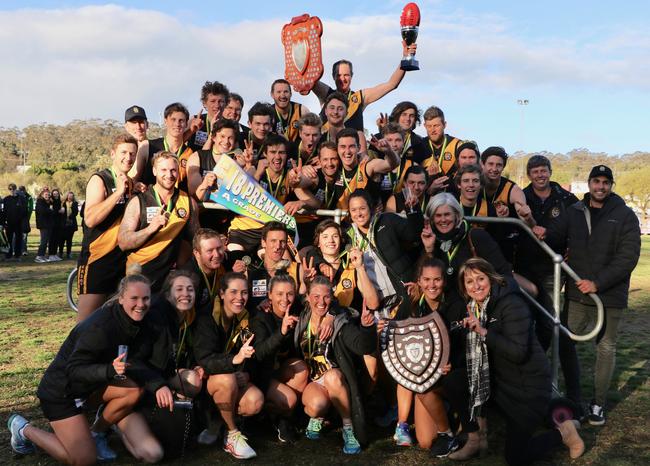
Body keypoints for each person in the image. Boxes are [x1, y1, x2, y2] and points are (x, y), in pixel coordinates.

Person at [7, 273, 166, 464]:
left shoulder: (139, 321)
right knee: (84, 460)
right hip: (61, 392)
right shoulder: (100, 326)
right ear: (121, 297)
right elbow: (73, 370)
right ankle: (23, 429)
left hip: (91, 385)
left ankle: (96, 433)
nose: (141, 304)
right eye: (134, 298)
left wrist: (158, 384)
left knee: (133, 391)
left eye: (145, 298)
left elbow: (137, 360)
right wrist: (109, 370)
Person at [457, 257, 584, 465]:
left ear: (491, 278)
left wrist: (483, 332)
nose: (476, 285)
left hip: (528, 389)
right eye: (469, 282)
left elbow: (518, 353)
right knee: (455, 380)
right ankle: (476, 438)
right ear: (464, 287)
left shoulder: (512, 303)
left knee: (515, 458)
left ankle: (564, 433)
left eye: (480, 278)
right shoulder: (475, 308)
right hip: (502, 384)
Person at [544, 165, 641, 426]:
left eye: (605, 182)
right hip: (577, 294)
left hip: (609, 296)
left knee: (605, 347)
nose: (600, 186)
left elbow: (628, 257)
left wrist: (598, 283)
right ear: (589, 183)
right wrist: (535, 227)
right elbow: (553, 236)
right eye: (596, 181)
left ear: (611, 185)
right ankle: (573, 397)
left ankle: (598, 403)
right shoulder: (574, 211)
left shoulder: (625, 215)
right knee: (565, 341)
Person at [389, 255, 465, 457]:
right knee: (426, 441)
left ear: (444, 281)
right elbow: (397, 337)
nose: (432, 285)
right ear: (420, 281)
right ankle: (444, 424)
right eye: (427, 280)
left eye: (437, 280)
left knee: (442, 385)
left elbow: (465, 345)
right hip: (426, 378)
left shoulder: (456, 305)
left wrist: (453, 364)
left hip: (451, 376)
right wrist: (385, 328)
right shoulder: (411, 303)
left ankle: (453, 425)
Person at [295, 276, 377, 454]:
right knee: (316, 405)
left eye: (326, 297)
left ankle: (348, 428)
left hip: (337, 380)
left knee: (332, 376)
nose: (321, 302)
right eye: (315, 296)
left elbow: (363, 346)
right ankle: (321, 416)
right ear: (307, 297)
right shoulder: (302, 317)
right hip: (314, 381)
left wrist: (367, 327)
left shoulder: (340, 321)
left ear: (331, 298)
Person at [192, 272, 264, 460]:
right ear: (221, 293)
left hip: (237, 379)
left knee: (255, 401)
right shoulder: (206, 317)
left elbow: (258, 354)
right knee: (226, 379)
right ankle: (232, 434)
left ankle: (219, 425)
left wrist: (247, 374)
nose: (239, 298)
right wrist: (233, 362)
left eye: (244, 292)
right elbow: (204, 360)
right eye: (233, 292)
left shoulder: (251, 315)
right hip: (209, 382)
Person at [77, 134, 138, 321]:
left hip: (122, 261)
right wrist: (118, 192)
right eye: (124, 152)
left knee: (114, 323)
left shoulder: (132, 183)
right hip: (98, 260)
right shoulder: (100, 179)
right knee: (86, 325)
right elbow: (90, 219)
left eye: (132, 154)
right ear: (113, 153)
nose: (128, 158)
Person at [119, 151, 198, 292]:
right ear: (154, 171)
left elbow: (195, 240)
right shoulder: (138, 200)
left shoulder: (188, 201)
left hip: (172, 281)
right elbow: (124, 242)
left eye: (173, 170)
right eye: (164, 170)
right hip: (140, 276)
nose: (169, 175)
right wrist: (151, 228)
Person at [346, 189, 423, 319]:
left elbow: (414, 235)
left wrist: (413, 210)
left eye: (362, 208)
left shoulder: (387, 220)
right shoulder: (349, 236)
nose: (358, 214)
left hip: (405, 295)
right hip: (380, 306)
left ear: (370, 208)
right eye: (353, 210)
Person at [249, 274, 309, 442]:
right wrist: (281, 332)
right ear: (269, 295)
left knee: (301, 368)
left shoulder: (297, 309)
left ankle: (285, 420)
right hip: (260, 375)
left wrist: (330, 317)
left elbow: (323, 302)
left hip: (279, 370)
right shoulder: (260, 316)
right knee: (289, 399)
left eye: (289, 293)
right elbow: (259, 353)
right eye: (279, 294)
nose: (285, 299)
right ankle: (262, 417)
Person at [421, 193, 512, 297]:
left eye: (447, 214)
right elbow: (425, 279)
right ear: (432, 219)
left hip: (479, 303)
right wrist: (429, 250)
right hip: (450, 307)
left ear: (456, 215)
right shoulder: (432, 240)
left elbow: (504, 275)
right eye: (438, 215)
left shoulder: (476, 236)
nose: (443, 220)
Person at [312, 42, 416, 131]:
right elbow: (310, 80)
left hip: (352, 152)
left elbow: (392, 84)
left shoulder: (359, 97)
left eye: (346, 75)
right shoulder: (326, 94)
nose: (342, 79)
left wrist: (406, 58)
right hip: (328, 151)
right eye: (339, 75)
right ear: (333, 77)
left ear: (352, 76)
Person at [148, 270, 204, 402]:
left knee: (193, 380)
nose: (185, 294)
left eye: (190, 290)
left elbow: (196, 347)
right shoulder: (157, 316)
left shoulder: (191, 316)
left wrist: (197, 365)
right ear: (167, 295)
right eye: (179, 289)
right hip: (151, 373)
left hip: (171, 371)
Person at [479, 146, 535, 262]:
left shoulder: (512, 189)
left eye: (499, 165)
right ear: (482, 164)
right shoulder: (473, 183)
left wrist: (527, 217)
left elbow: (525, 216)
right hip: (476, 242)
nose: (494, 169)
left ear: (503, 167)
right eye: (490, 164)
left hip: (501, 246)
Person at [187, 118, 239, 233]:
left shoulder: (237, 161)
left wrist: (248, 168)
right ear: (214, 137)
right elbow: (194, 197)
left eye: (230, 138)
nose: (226, 141)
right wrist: (205, 184)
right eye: (222, 136)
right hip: (202, 219)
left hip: (228, 221)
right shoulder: (197, 157)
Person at [335, 128, 399, 209]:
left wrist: (389, 151)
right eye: (343, 147)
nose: (347, 151)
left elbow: (393, 164)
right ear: (337, 149)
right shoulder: (334, 166)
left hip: (365, 220)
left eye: (352, 146)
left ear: (358, 147)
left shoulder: (367, 166)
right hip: (340, 220)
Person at [135, 102, 193, 189]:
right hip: (151, 201)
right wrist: (137, 185)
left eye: (181, 120)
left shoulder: (191, 153)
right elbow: (134, 178)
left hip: (180, 201)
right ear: (165, 121)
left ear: (186, 124)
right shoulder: (147, 146)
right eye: (173, 120)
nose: (177, 124)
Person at [412, 106, 462, 192]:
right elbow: (411, 181)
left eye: (436, 126)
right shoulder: (419, 146)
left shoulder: (458, 145)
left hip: (454, 199)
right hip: (427, 199)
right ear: (424, 126)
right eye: (429, 126)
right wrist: (427, 176)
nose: (432, 130)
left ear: (444, 125)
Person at [186, 81, 230, 151]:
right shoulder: (194, 120)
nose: (217, 105)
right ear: (204, 103)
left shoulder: (230, 125)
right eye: (213, 101)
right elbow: (178, 143)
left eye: (221, 101)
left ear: (226, 103)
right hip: (195, 160)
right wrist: (191, 131)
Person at [2, 183, 28, 260]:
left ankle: (17, 255)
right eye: (10, 189)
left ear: (16, 189)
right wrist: (4, 222)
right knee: (9, 240)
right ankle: (8, 255)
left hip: (19, 223)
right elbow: (4, 212)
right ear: (8, 190)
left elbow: (25, 211)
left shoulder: (21, 199)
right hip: (9, 223)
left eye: (13, 189)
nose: (12, 190)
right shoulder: (6, 199)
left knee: (19, 239)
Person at [34, 187, 55, 263]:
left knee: (46, 241)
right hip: (43, 224)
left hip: (48, 224)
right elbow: (43, 211)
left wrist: (50, 210)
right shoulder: (40, 202)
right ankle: (39, 256)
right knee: (43, 241)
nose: (47, 196)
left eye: (48, 195)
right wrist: (50, 210)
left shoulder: (48, 202)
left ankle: (42, 256)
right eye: (46, 194)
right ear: (42, 195)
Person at [59, 191, 79, 259]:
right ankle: (60, 253)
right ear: (67, 196)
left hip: (71, 223)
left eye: (71, 196)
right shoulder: (63, 203)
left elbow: (76, 213)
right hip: (63, 223)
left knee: (69, 239)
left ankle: (68, 253)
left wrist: (71, 214)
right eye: (69, 196)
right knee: (61, 239)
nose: (70, 197)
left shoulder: (75, 203)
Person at [48, 188, 65, 262]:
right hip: (52, 223)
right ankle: (51, 254)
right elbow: (52, 212)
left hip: (59, 223)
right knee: (52, 239)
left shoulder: (60, 202)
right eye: (54, 194)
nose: (55, 195)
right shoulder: (51, 202)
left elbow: (63, 211)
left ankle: (55, 254)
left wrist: (63, 210)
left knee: (57, 239)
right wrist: (59, 211)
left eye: (56, 194)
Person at [18, 185, 33, 256]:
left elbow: (30, 208)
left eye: (22, 191)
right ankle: (16, 250)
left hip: (25, 219)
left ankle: (24, 250)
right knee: (16, 236)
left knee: (24, 236)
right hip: (17, 220)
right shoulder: (16, 197)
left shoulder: (29, 197)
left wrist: (27, 218)